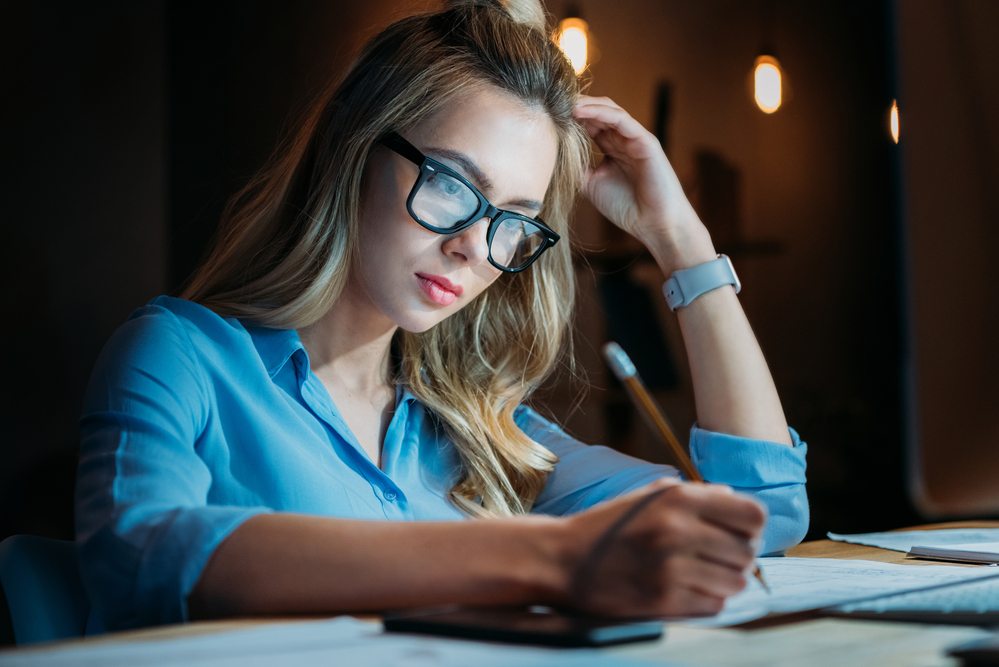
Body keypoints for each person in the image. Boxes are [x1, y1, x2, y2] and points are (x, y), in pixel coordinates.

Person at [75, 0, 808, 632]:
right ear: (352, 150)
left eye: (511, 220)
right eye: (451, 185)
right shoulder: (180, 355)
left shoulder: (481, 432)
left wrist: (681, 241)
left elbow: (754, 513)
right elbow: (139, 551)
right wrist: (542, 556)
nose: (470, 248)